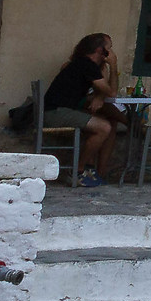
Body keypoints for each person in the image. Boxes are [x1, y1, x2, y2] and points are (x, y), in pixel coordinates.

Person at [45, 33, 126, 186]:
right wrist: (114, 66)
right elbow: (112, 92)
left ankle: (91, 169)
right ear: (100, 50)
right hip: (56, 112)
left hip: (61, 110)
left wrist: (99, 96)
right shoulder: (86, 64)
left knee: (108, 121)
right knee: (104, 127)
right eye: (109, 49)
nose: (111, 53)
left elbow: (102, 91)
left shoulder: (85, 64)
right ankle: (77, 171)